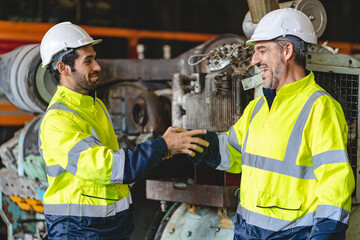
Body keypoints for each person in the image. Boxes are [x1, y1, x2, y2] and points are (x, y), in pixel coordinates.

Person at [189, 8, 355, 239]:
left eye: (262, 50)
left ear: (287, 51)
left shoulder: (320, 108)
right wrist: (188, 142)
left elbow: (335, 186)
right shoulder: (258, 107)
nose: (255, 60)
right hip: (247, 231)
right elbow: (232, 152)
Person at [38, 22, 209, 240]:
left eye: (95, 58)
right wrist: (162, 145)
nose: (97, 67)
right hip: (79, 230)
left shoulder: (93, 105)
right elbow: (107, 168)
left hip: (107, 226)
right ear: (63, 68)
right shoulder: (58, 120)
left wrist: (167, 150)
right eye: (88, 61)